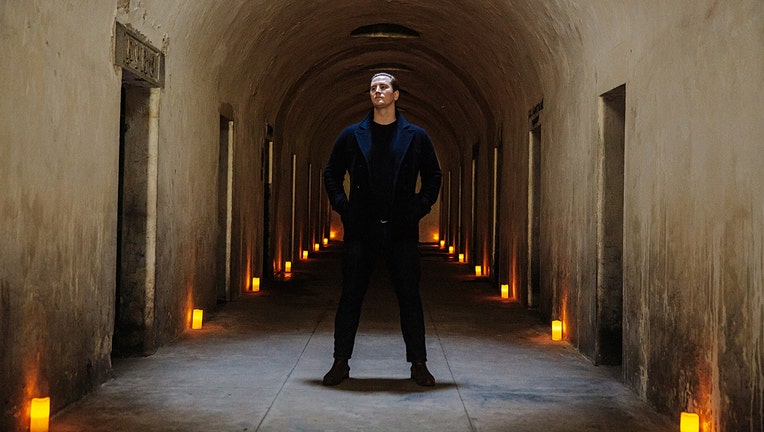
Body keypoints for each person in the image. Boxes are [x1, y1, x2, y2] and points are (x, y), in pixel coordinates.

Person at [322, 72, 442, 386]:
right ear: (370, 95)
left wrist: (419, 207)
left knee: (410, 298)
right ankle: (340, 362)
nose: (378, 90)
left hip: (401, 229)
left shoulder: (416, 136)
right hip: (361, 229)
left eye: (384, 86)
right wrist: (343, 207)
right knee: (350, 296)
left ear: (396, 94)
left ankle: (419, 364)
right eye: (374, 87)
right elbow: (331, 172)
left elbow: (434, 176)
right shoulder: (352, 135)